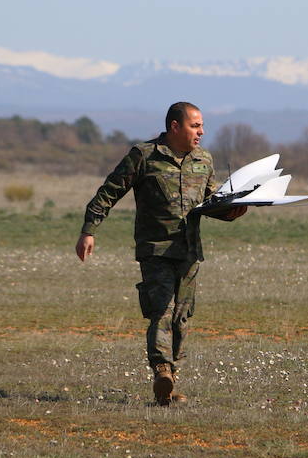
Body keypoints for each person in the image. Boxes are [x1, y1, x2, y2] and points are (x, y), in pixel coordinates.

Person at [75, 102, 246, 405]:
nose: (201, 132)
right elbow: (110, 191)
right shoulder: (143, 155)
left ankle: (169, 383)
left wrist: (234, 210)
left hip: (189, 250)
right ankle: (161, 370)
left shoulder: (203, 159)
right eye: (195, 126)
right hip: (155, 249)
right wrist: (89, 229)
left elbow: (209, 202)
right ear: (175, 127)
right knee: (162, 310)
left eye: (202, 126)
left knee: (181, 316)